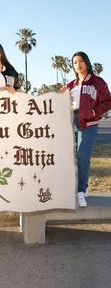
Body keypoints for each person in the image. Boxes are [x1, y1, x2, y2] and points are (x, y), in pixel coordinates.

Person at [60, 51, 111, 207]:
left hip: (88, 123)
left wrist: (94, 113)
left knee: (82, 156)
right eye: (75, 62)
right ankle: (78, 188)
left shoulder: (97, 82)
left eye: (81, 61)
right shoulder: (71, 85)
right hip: (71, 122)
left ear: (86, 62)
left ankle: (81, 191)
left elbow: (108, 101)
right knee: (73, 158)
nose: (78, 64)